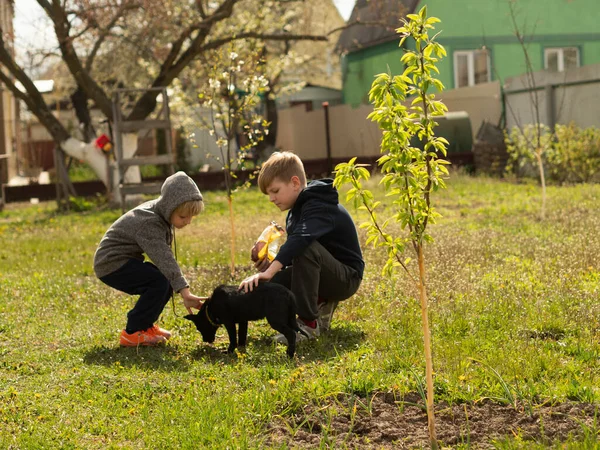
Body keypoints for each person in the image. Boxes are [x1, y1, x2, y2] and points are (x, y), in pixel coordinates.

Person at [240, 152, 364, 342]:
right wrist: (269, 268)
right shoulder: (296, 211)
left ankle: (308, 324)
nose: (271, 198)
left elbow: (301, 242)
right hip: (327, 272)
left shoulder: (319, 204)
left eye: (275, 191)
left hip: (346, 278)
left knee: (304, 247)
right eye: (269, 194)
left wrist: (270, 270)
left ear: (295, 183)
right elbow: (298, 258)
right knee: (271, 283)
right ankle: (321, 303)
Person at [94, 171, 206, 347]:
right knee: (159, 282)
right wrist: (185, 292)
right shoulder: (150, 224)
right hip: (111, 264)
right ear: (169, 208)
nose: (188, 221)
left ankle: (145, 327)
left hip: (125, 260)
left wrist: (176, 283)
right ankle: (132, 332)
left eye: (191, 217)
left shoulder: (160, 213)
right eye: (183, 217)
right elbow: (164, 259)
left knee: (164, 281)